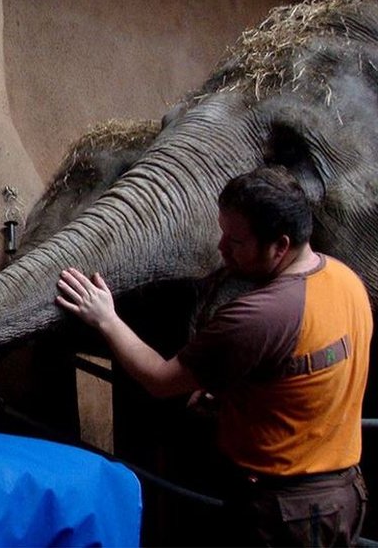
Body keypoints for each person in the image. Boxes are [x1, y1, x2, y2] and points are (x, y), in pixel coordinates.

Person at [56, 166, 371, 546]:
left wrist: (105, 317)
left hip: (284, 513)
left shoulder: (259, 316)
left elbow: (159, 379)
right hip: (343, 495)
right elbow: (307, 374)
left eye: (236, 241)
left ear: (280, 246)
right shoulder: (345, 280)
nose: (222, 248)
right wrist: (233, 395)